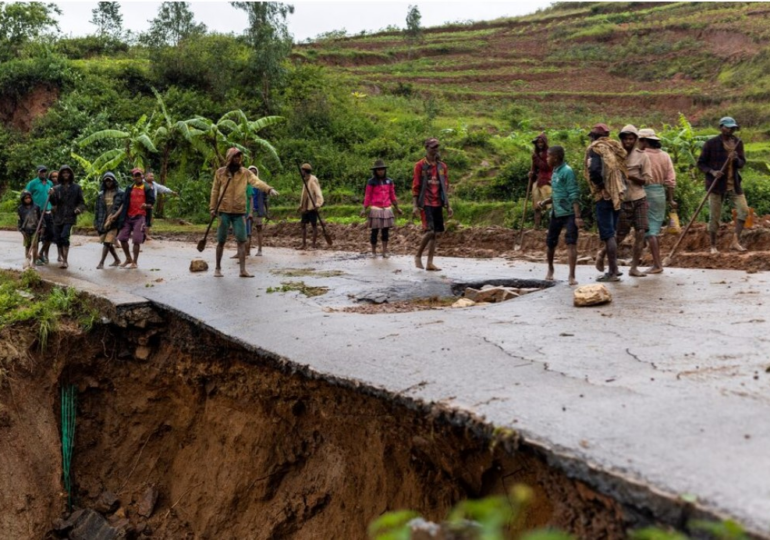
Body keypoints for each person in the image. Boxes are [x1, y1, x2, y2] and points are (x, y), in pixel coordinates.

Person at [210, 148, 278, 277]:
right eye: (235, 157)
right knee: (221, 240)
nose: (237, 159)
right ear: (229, 158)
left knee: (242, 240)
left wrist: (269, 189)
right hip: (223, 210)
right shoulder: (220, 173)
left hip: (239, 212)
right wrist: (212, 208)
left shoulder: (245, 173)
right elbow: (214, 191)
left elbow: (256, 181)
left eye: (239, 157)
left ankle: (242, 270)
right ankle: (217, 268)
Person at [697, 116, 748, 254]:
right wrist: (712, 172)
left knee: (744, 210)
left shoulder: (738, 143)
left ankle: (735, 241)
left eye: (732, 128)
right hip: (716, 185)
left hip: (734, 184)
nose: (730, 130)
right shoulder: (711, 144)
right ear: (721, 127)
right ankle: (713, 246)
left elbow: (742, 163)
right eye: (728, 127)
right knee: (714, 217)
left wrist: (736, 158)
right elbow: (701, 163)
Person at [585, 123, 627, 282]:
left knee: (608, 234)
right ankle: (614, 269)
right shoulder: (613, 148)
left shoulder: (595, 149)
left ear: (594, 137)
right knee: (612, 232)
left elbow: (594, 171)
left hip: (604, 196)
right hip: (617, 194)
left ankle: (613, 271)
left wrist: (602, 188)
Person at [537, 146, 582, 285]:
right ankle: (550, 269)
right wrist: (545, 202)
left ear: (556, 157)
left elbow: (574, 194)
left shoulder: (567, 172)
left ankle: (572, 276)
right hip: (556, 212)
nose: (547, 158)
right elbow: (557, 193)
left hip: (569, 213)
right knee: (550, 242)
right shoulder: (555, 171)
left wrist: (577, 216)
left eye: (549, 156)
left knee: (571, 243)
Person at [612, 125, 652, 278]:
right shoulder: (615, 156)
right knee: (620, 234)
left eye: (631, 139)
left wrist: (632, 177)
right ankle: (603, 254)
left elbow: (648, 180)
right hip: (622, 200)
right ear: (621, 140)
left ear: (635, 140)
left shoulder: (642, 156)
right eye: (625, 139)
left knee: (641, 232)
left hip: (639, 198)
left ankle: (634, 267)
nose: (628, 142)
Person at [638, 128, 676, 274]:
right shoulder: (665, 156)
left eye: (640, 140)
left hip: (644, 192)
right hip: (660, 193)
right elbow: (671, 180)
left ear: (645, 141)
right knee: (652, 227)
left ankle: (657, 264)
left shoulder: (642, 156)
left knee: (650, 231)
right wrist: (671, 199)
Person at [413, 138, 453, 271]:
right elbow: (416, 186)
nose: (435, 149)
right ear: (427, 148)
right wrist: (415, 206)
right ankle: (418, 255)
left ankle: (430, 262)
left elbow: (445, 187)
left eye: (437, 147)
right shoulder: (420, 165)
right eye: (432, 147)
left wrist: (448, 205)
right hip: (425, 202)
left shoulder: (442, 166)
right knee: (430, 231)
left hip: (438, 202)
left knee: (435, 234)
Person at [360, 159, 402, 258]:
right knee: (374, 231)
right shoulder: (371, 182)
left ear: (384, 170)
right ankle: (374, 252)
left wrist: (397, 208)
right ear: (375, 171)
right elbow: (368, 196)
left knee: (385, 231)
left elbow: (392, 195)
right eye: (378, 170)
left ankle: (384, 251)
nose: (380, 171)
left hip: (387, 209)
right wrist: (364, 208)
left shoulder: (389, 181)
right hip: (376, 209)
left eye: (382, 169)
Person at [48, 165, 86, 270]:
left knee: (65, 236)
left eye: (67, 173)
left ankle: (65, 260)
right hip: (58, 217)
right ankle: (61, 256)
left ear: (70, 174)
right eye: (64, 173)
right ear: (61, 175)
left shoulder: (76, 188)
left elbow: (82, 203)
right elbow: (54, 203)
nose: (66, 174)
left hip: (70, 216)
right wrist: (51, 195)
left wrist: (78, 209)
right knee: (58, 238)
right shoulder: (56, 189)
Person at [117, 168, 155, 269]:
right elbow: (124, 203)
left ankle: (135, 262)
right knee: (122, 238)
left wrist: (145, 205)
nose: (138, 177)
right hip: (128, 217)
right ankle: (128, 258)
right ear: (133, 177)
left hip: (140, 217)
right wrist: (116, 215)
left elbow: (151, 204)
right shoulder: (129, 188)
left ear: (142, 176)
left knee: (136, 240)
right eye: (136, 175)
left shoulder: (147, 188)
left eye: (139, 175)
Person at [25, 165, 54, 265]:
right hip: (36, 213)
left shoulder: (50, 183)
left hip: (48, 212)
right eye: (41, 172)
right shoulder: (32, 183)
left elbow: (52, 195)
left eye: (44, 171)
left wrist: (52, 192)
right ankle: (34, 259)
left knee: (50, 235)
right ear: (37, 172)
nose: (43, 173)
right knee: (36, 236)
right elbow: (26, 195)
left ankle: (41, 253)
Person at [94, 172, 124, 269]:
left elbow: (123, 206)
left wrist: (116, 216)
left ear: (113, 181)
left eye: (110, 181)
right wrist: (95, 222)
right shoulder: (101, 194)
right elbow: (97, 209)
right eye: (106, 181)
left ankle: (101, 262)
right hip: (102, 221)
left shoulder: (120, 193)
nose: (108, 183)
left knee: (107, 242)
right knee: (106, 242)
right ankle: (117, 260)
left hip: (114, 221)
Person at [528, 133, 553, 230]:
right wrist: (531, 174)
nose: (540, 144)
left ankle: (553, 226)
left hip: (547, 181)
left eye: (541, 142)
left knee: (551, 205)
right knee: (536, 205)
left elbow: (547, 167)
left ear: (545, 143)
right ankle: (537, 226)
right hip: (537, 182)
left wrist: (536, 159)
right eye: (538, 142)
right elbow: (534, 169)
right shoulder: (536, 154)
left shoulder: (549, 153)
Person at [144, 172, 177, 241]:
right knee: (141, 219)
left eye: (153, 176)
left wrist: (171, 192)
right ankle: (140, 234)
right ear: (146, 177)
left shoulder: (154, 184)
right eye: (151, 176)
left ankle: (146, 234)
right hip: (142, 204)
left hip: (150, 205)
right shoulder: (142, 184)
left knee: (149, 219)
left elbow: (162, 188)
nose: (152, 178)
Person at [298, 163, 324, 250]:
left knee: (314, 225)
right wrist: (300, 205)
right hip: (305, 206)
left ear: (305, 171)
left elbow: (318, 193)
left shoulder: (313, 180)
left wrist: (318, 204)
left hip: (312, 206)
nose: (301, 172)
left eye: (302, 170)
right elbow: (304, 194)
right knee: (303, 225)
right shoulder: (305, 180)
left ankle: (313, 244)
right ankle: (303, 244)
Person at [249, 165, 269, 257]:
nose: (253, 173)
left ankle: (260, 249)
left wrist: (267, 212)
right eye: (251, 172)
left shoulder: (262, 185)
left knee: (259, 229)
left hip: (258, 210)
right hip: (247, 210)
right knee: (247, 231)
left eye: (254, 172)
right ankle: (247, 250)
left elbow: (265, 199)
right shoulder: (245, 184)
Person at [17, 191, 41, 264]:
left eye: (29, 198)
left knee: (35, 246)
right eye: (26, 198)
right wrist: (22, 231)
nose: (28, 199)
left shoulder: (36, 207)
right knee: (27, 246)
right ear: (23, 199)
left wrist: (42, 228)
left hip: (35, 230)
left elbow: (40, 218)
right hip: (26, 230)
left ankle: (34, 262)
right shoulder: (20, 209)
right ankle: (27, 261)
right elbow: (19, 221)